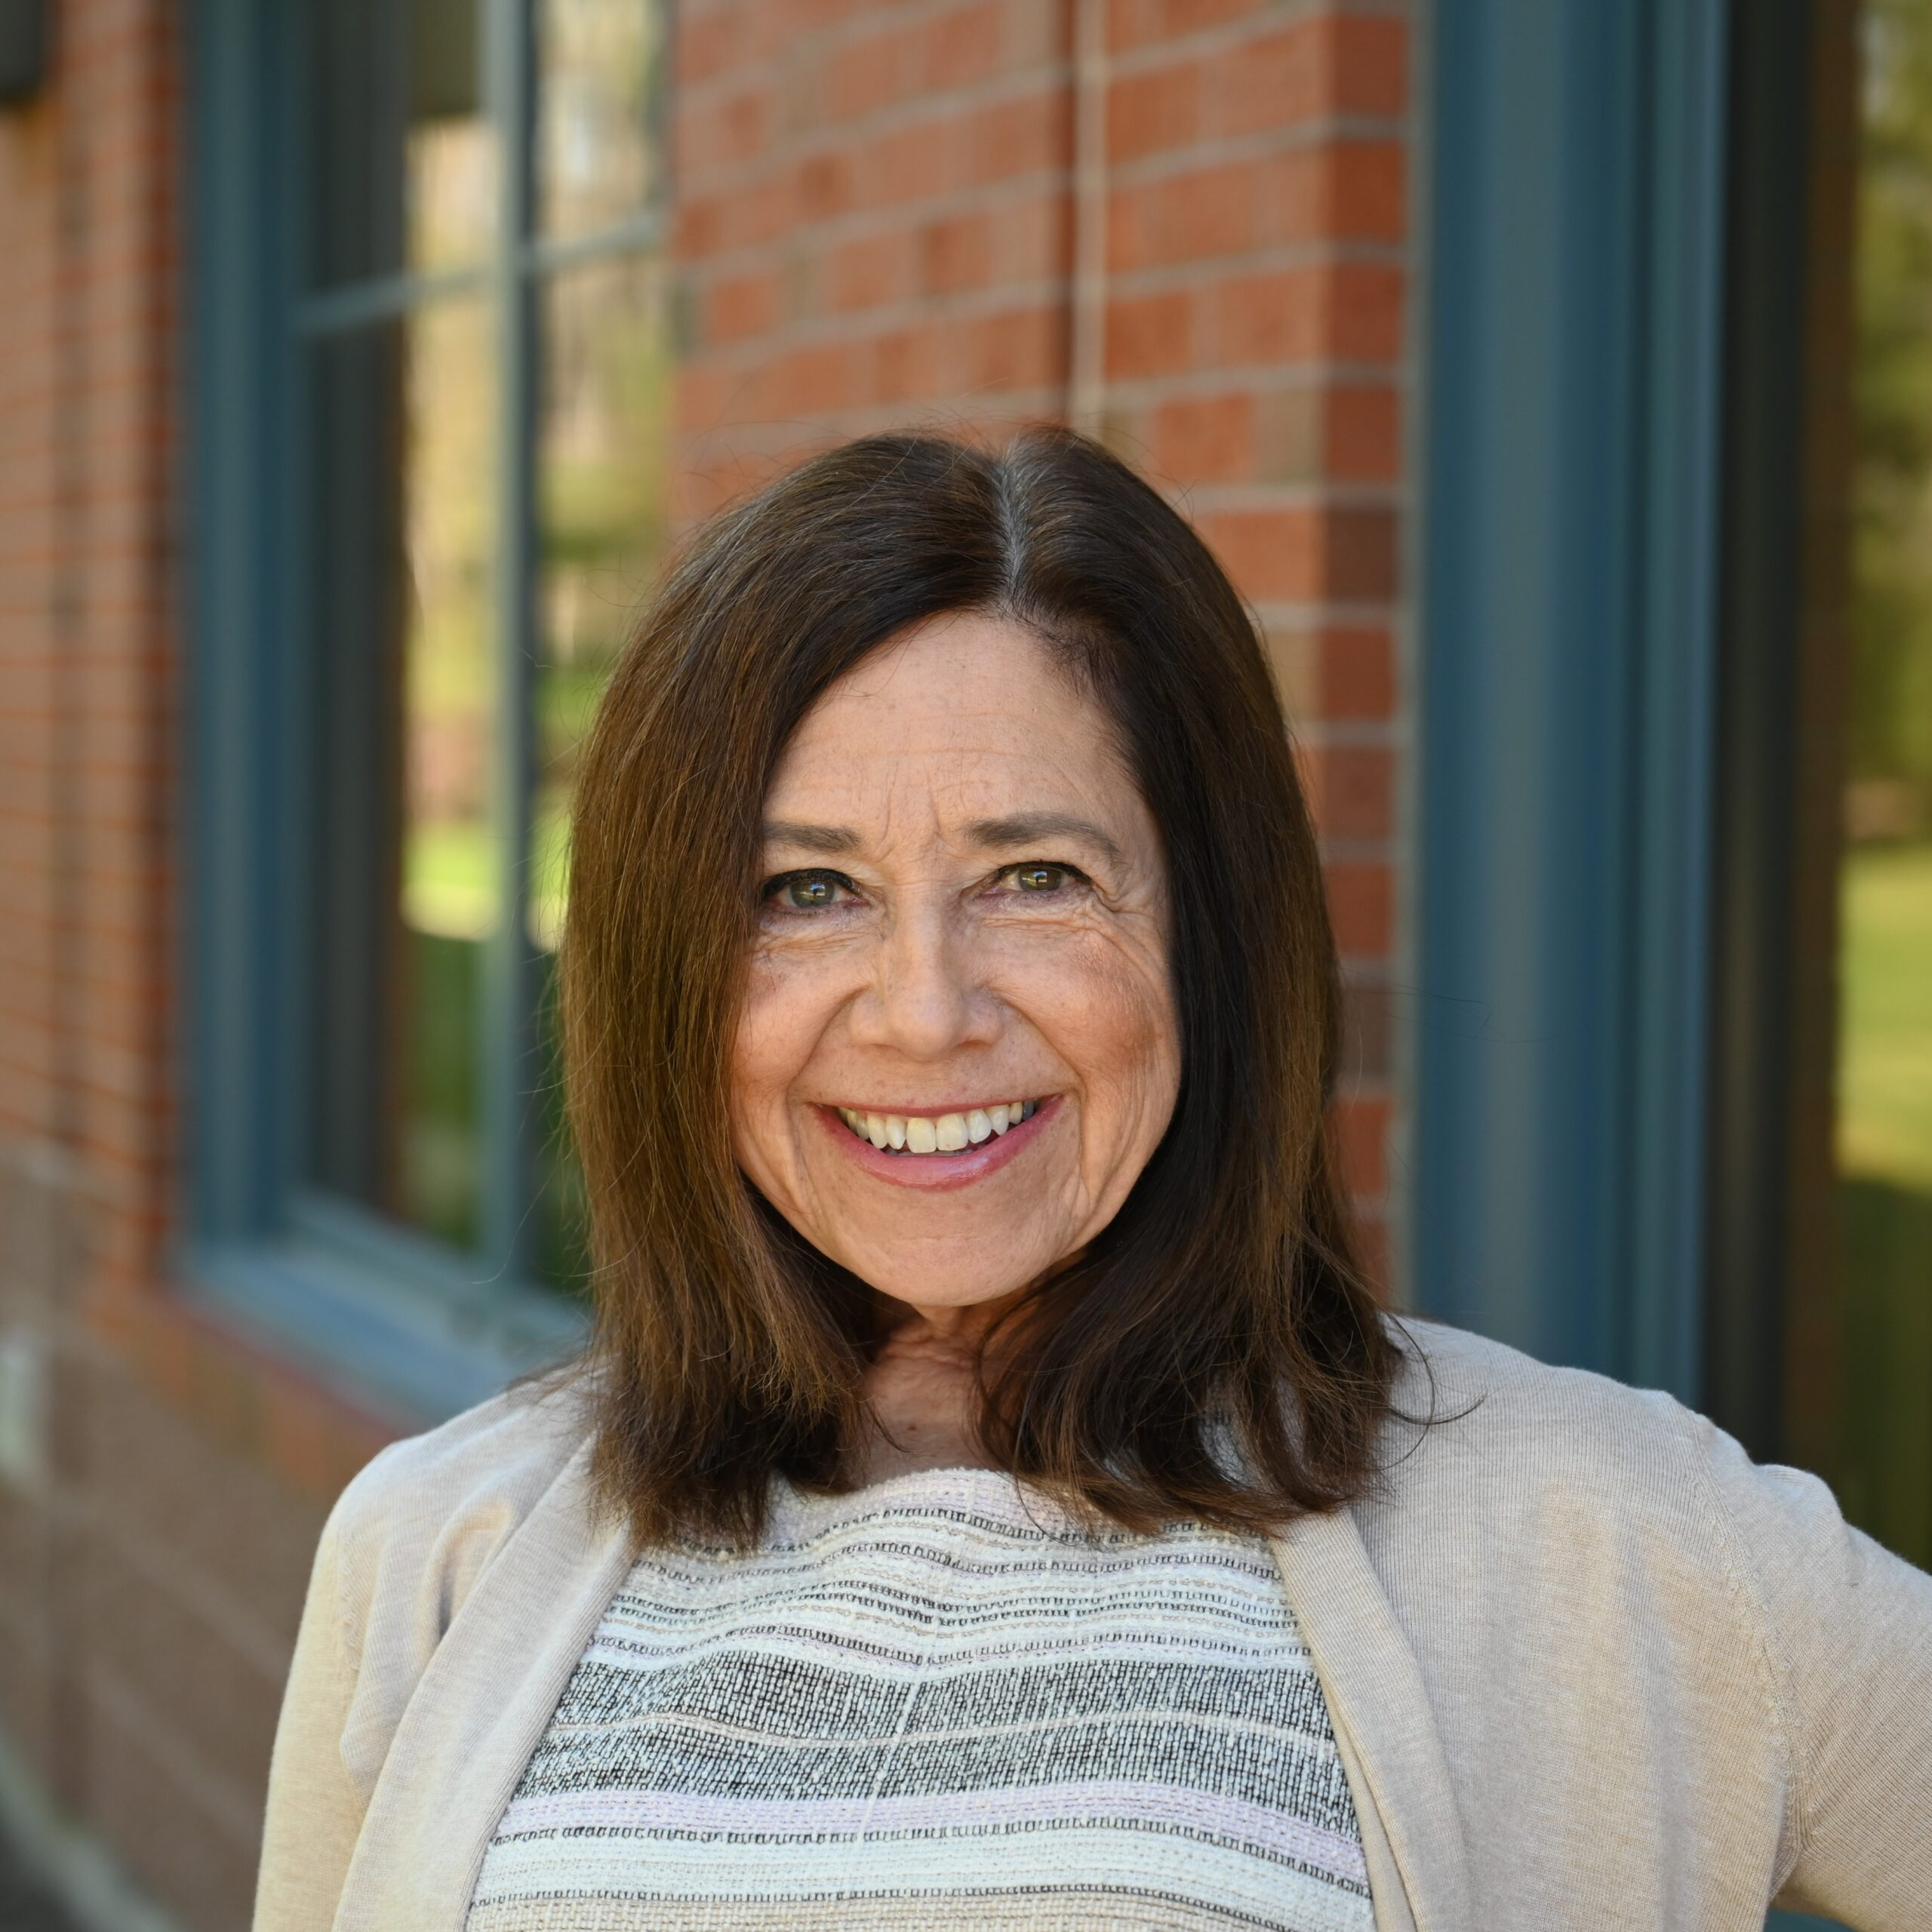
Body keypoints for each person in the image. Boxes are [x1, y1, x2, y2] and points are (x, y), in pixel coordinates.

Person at [252, 429, 1932, 1932]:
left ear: (1207, 934)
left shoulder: (1611, 1533)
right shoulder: (435, 1546)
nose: (923, 1010)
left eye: (1037, 875)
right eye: (804, 890)